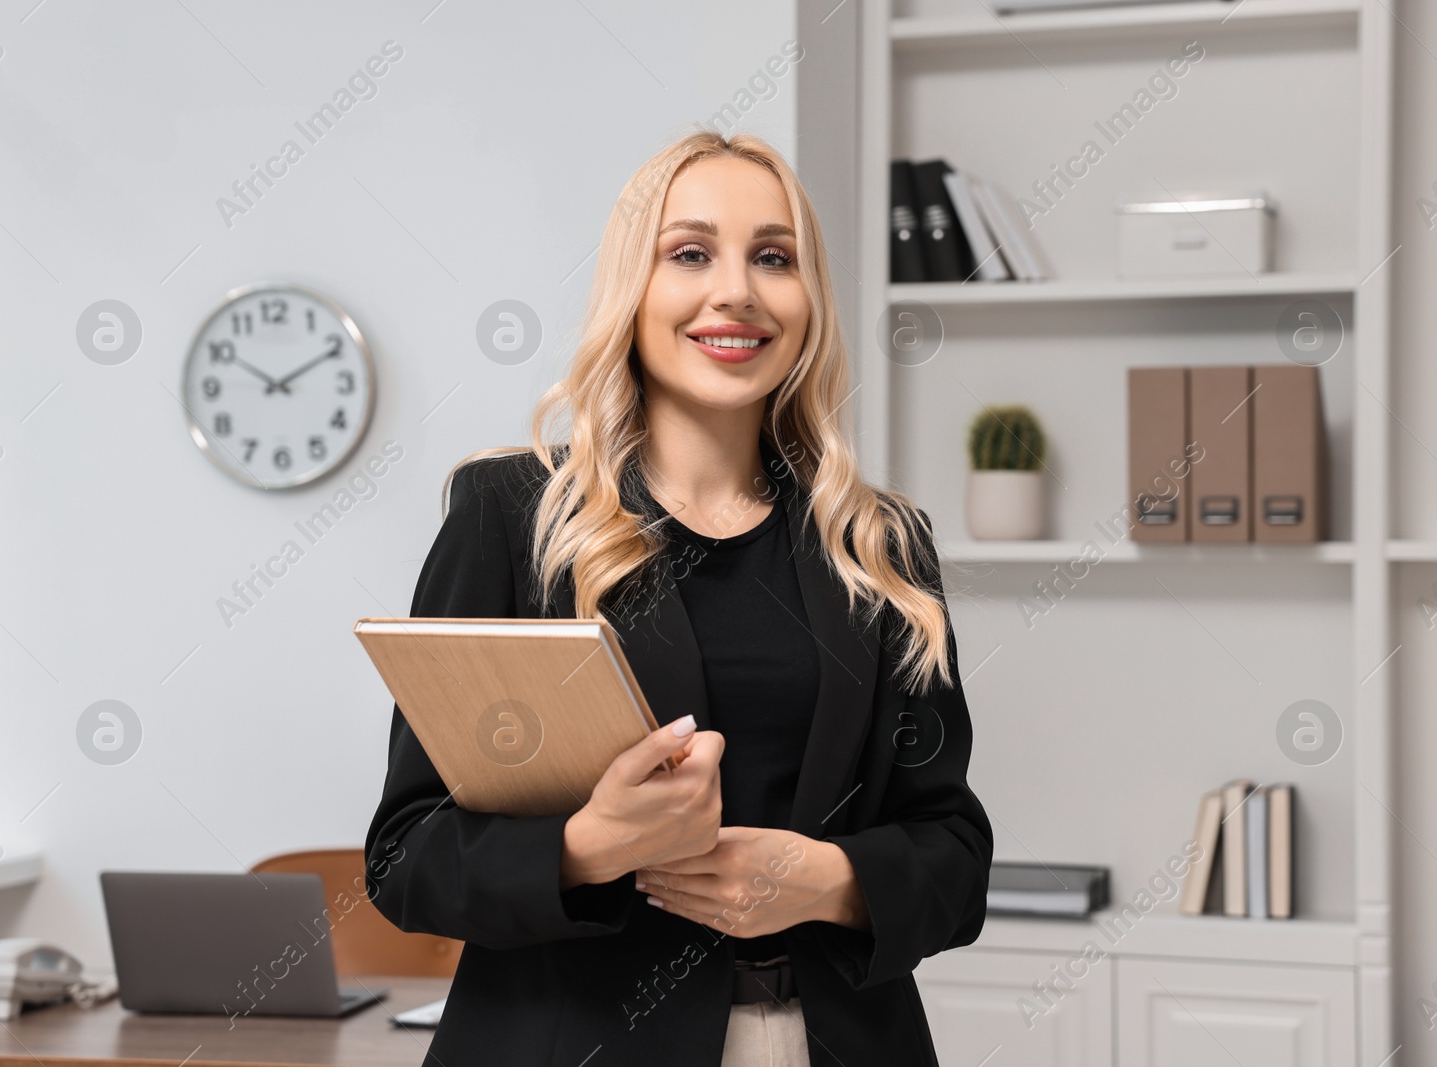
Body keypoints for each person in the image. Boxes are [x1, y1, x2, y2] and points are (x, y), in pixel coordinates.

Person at [364, 130, 993, 1067]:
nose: (736, 290)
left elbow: (954, 855)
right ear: (634, 288)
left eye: (773, 258)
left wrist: (829, 878)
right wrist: (586, 847)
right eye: (690, 252)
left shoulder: (881, 544)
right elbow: (406, 858)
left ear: (808, 298)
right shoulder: (511, 518)